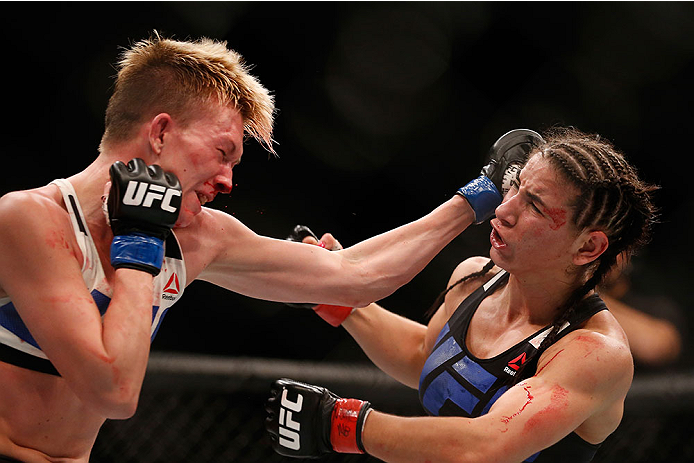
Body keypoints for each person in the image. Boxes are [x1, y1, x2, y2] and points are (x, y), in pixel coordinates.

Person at [0, 31, 538, 462]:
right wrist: (140, 245)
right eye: (223, 152)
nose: (229, 181)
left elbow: (356, 275)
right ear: (160, 133)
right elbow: (111, 392)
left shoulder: (200, 236)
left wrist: (477, 198)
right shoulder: (30, 221)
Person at [265, 127, 659, 463]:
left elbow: (486, 447)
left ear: (587, 248)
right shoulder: (474, 277)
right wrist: (334, 299)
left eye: (535, 206)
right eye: (516, 187)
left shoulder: (593, 353)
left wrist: (344, 424)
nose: (503, 210)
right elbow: (427, 356)